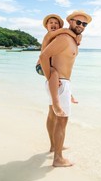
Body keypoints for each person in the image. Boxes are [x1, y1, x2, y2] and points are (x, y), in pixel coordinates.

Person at [39, 10, 92, 167]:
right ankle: (58, 158)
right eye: (78, 22)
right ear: (70, 21)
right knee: (62, 121)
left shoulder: (72, 39)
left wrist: (67, 91)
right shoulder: (64, 38)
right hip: (58, 83)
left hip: (59, 83)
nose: (81, 25)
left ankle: (54, 146)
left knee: (52, 116)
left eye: (84, 24)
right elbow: (43, 57)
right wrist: (51, 78)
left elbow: (61, 63)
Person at [36, 14, 80, 117]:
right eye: (51, 23)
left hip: (50, 65)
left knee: (60, 74)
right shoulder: (48, 35)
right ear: (46, 26)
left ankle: (69, 95)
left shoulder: (57, 38)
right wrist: (77, 36)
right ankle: (56, 105)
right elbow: (66, 31)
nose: (53, 25)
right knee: (54, 73)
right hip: (41, 65)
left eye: (56, 23)